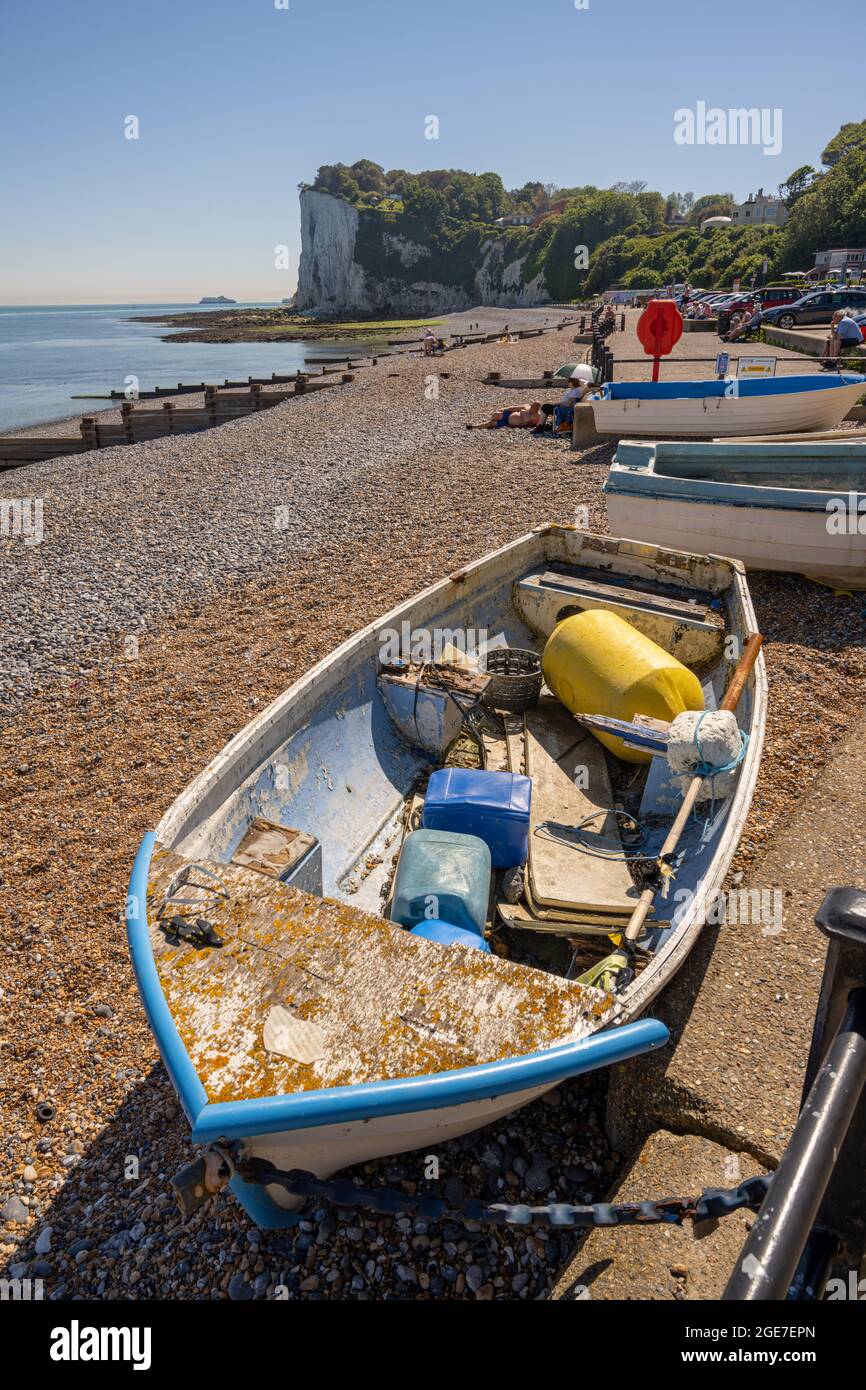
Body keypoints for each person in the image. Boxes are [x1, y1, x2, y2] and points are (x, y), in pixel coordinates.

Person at [467, 401, 544, 430]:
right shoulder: (526, 406)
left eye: (535, 407)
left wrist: (518, 426)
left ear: (538, 408)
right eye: (533, 405)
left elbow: (532, 425)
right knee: (496, 415)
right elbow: (514, 408)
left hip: (508, 423)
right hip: (508, 415)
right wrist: (503, 409)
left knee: (491, 423)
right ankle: (477, 426)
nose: (533, 407)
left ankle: (474, 427)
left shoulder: (536, 416)